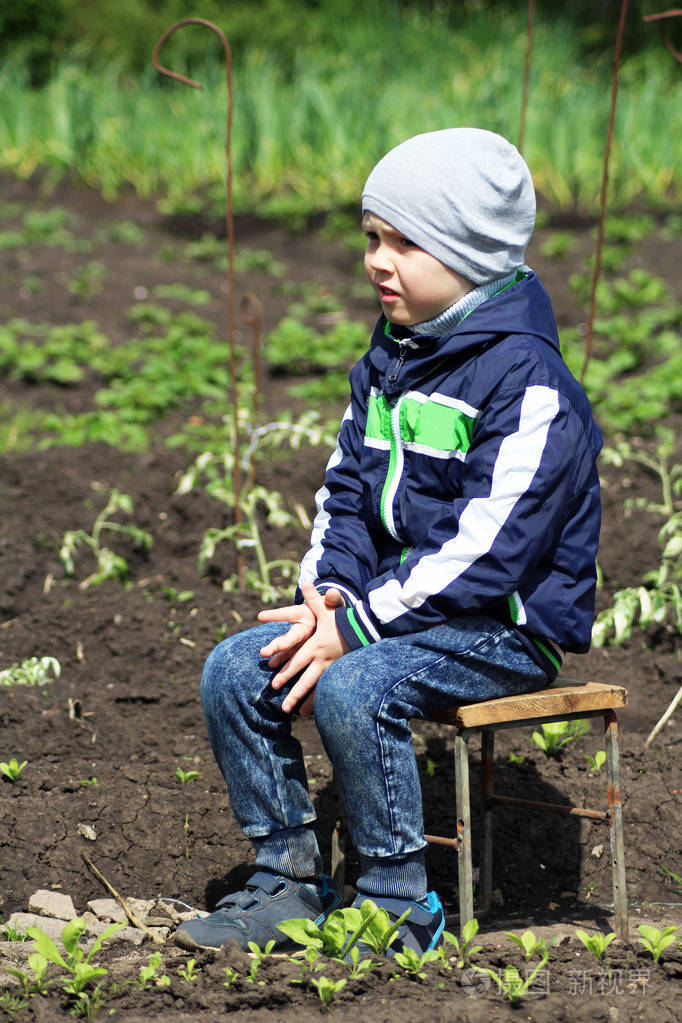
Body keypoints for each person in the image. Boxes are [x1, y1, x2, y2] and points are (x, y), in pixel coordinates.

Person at [174, 128, 602, 956]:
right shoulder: (390, 362)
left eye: (407, 241)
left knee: (353, 685)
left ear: (472, 253)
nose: (379, 259)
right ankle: (287, 879)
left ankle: (396, 902)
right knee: (234, 666)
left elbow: (492, 549)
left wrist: (359, 626)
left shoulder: (529, 382)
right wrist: (329, 594)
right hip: (393, 609)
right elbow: (346, 492)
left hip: (504, 627)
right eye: (373, 236)